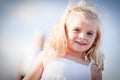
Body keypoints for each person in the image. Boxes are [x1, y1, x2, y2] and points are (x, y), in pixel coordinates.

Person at [24, 0, 104, 80]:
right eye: (77, 30)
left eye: (89, 33)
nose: (82, 36)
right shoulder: (48, 56)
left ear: (96, 38)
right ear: (64, 31)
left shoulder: (93, 69)